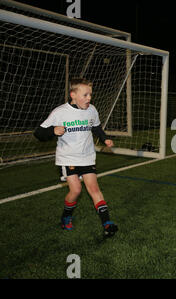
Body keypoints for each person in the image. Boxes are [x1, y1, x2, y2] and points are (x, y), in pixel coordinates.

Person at [34, 78, 118, 237]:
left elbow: (96, 127)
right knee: (76, 190)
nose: (89, 98)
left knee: (94, 189)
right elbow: (38, 133)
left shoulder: (92, 110)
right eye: (85, 95)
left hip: (87, 156)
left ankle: (107, 223)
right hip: (68, 158)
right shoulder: (60, 112)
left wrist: (104, 138)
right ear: (73, 95)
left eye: (90, 95)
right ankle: (66, 217)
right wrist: (53, 131)